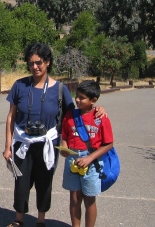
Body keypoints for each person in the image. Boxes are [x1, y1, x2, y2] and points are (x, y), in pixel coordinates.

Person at [3, 43, 106, 227]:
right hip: (22, 142)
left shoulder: (60, 89)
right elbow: (11, 117)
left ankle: (41, 221)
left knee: (44, 182)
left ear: (48, 62)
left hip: (47, 143)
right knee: (21, 183)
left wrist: (96, 109)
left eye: (39, 62)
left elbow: (74, 115)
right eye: (31, 63)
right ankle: (19, 219)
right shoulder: (19, 85)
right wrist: (7, 146)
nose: (35, 66)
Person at [60, 80, 113, 227]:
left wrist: (89, 158)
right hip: (72, 159)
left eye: (82, 98)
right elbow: (65, 135)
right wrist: (64, 147)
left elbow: (109, 143)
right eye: (76, 96)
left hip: (92, 161)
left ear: (93, 100)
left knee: (89, 199)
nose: (77, 100)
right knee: (75, 198)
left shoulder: (100, 117)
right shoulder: (70, 116)